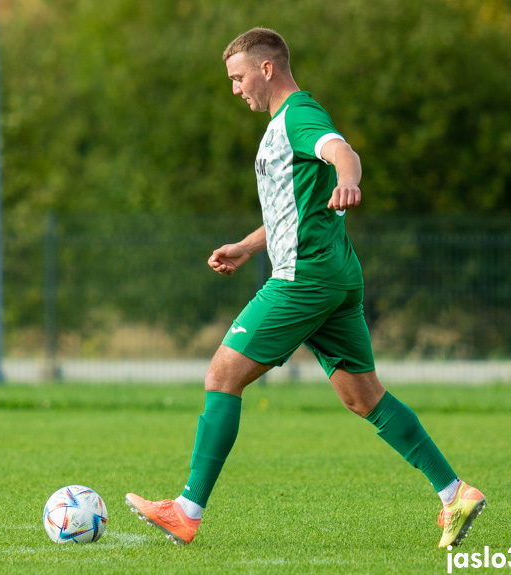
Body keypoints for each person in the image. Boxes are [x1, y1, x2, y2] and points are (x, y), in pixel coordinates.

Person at [126, 28, 485, 549]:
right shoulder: (279, 126)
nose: (235, 89)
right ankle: (455, 492)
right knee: (364, 397)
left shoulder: (297, 115)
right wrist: (249, 246)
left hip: (305, 277)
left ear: (266, 69)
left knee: (222, 374)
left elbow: (341, 151)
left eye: (238, 77)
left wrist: (350, 178)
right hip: (335, 275)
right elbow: (293, 210)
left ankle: (186, 510)